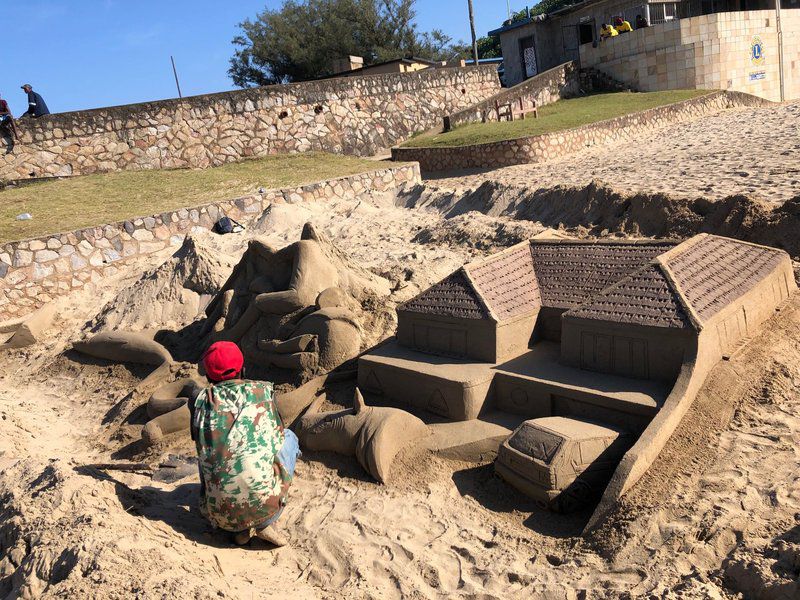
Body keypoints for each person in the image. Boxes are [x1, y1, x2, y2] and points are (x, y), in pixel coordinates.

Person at [190, 341, 301, 547]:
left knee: (208, 447)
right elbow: (276, 436)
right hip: (265, 510)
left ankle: (238, 529)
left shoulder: (198, 400)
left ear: (207, 375)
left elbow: (198, 439)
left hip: (218, 516)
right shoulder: (263, 391)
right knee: (289, 437)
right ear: (243, 369)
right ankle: (264, 522)